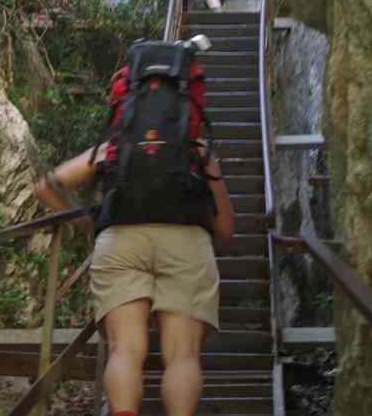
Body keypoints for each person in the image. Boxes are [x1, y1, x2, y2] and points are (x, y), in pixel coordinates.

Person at [33, 78, 234, 416]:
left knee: (125, 350)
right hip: (185, 242)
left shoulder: (114, 144)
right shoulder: (197, 148)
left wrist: (83, 219)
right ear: (185, 101)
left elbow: (46, 186)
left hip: (120, 241)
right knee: (182, 354)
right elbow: (226, 228)